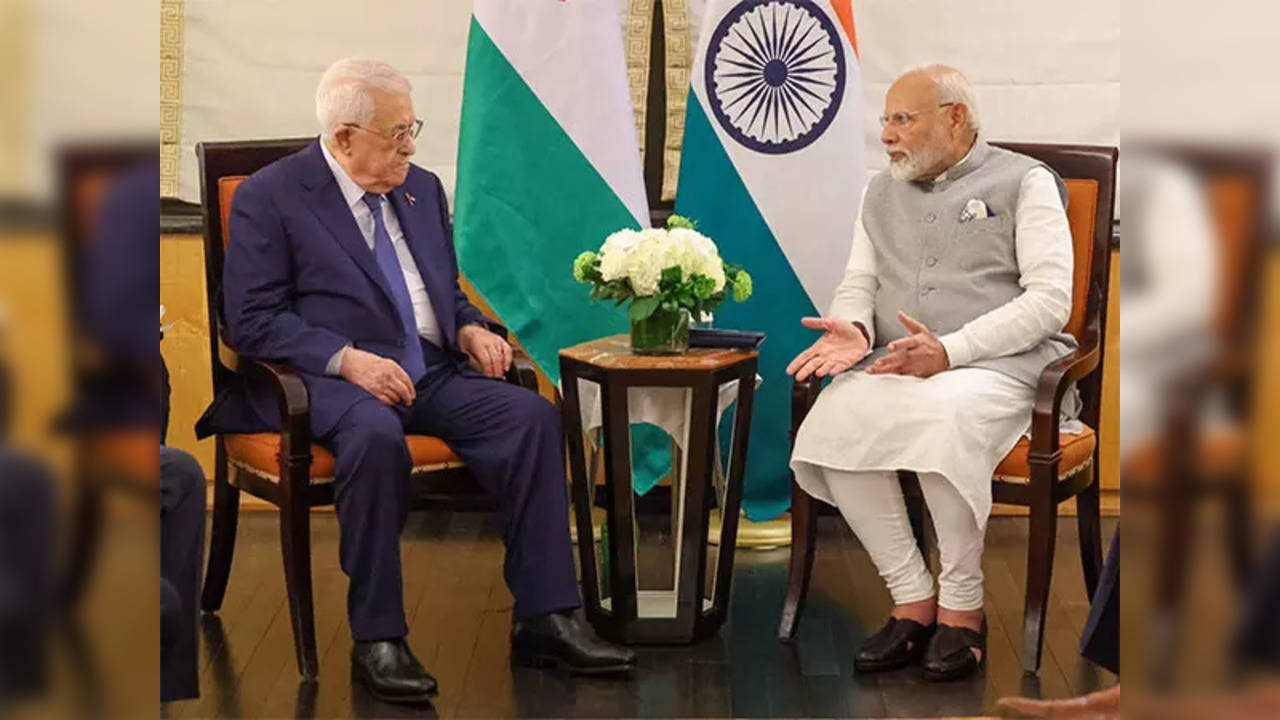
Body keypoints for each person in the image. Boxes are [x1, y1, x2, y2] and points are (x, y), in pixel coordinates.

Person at [195, 58, 634, 704]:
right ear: (344, 138)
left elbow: (440, 291)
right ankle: (379, 639)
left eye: (412, 129)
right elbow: (253, 320)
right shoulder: (271, 196)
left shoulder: (420, 189)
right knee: (374, 439)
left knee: (533, 419)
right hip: (334, 379)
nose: (410, 147)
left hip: (427, 371)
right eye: (396, 134)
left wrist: (470, 328)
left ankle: (546, 617)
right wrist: (346, 359)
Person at [787, 64, 1077, 681]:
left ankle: (962, 611)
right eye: (885, 120)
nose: (888, 135)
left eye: (903, 119)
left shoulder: (1026, 182)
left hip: (1003, 366)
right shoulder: (879, 190)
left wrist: (953, 350)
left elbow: (1051, 300)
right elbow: (859, 283)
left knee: (944, 420)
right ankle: (912, 598)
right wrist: (855, 331)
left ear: (955, 118)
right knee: (834, 420)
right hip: (904, 362)